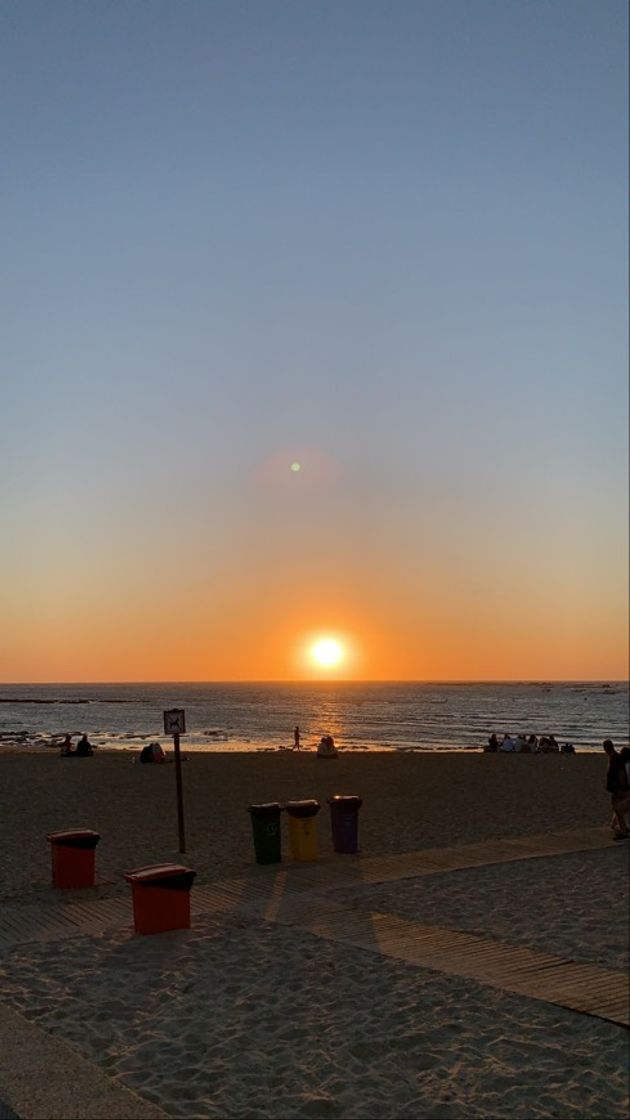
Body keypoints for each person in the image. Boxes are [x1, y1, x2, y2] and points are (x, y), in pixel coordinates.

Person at [603, 739, 630, 839]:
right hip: (616, 788)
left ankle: (623, 829)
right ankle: (615, 825)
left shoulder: (615, 759)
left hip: (618, 788)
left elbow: (621, 774)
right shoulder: (614, 758)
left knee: (618, 809)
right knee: (616, 807)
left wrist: (622, 788)